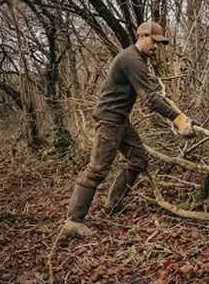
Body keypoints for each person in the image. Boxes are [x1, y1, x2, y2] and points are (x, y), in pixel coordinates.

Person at [63, 21, 193, 236]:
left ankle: (114, 205)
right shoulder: (131, 59)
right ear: (142, 36)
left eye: (159, 44)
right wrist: (177, 118)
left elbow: (151, 92)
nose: (156, 47)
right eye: (154, 41)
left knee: (138, 159)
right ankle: (73, 221)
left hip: (120, 119)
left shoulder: (137, 59)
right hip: (109, 120)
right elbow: (150, 99)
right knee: (97, 169)